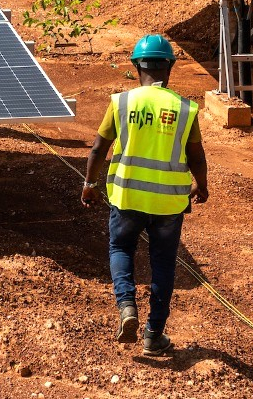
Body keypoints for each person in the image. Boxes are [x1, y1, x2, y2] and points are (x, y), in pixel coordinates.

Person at [80, 34, 208, 357]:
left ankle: (126, 308)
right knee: (163, 264)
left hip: (127, 199)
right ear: (170, 69)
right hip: (168, 204)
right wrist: (201, 185)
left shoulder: (121, 103)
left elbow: (98, 149)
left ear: (137, 67)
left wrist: (90, 184)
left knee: (121, 247)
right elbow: (197, 156)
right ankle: (154, 334)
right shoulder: (184, 109)